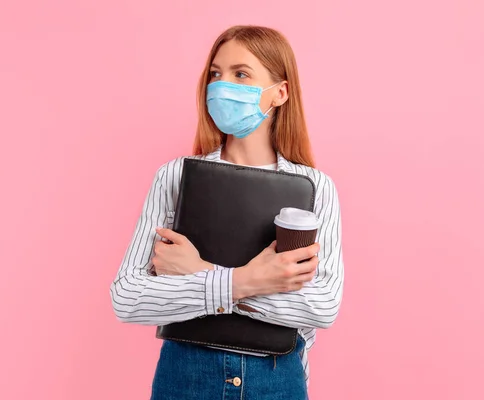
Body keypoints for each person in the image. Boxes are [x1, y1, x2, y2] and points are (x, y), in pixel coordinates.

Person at [110, 25, 344, 400]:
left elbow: (320, 307)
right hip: (185, 376)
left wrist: (201, 272)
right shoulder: (176, 176)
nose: (222, 86)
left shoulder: (315, 188)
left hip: (276, 379)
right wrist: (252, 280)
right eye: (215, 74)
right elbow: (128, 297)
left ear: (280, 92)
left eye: (241, 74)